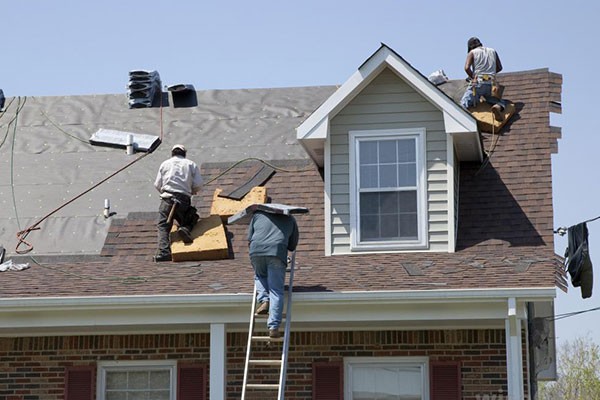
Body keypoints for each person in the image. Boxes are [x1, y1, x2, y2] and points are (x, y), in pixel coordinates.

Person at [248, 210, 299, 338]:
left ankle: (264, 300)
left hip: (256, 250)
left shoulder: (258, 215)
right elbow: (292, 246)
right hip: (276, 251)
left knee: (260, 276)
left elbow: (250, 238)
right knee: (276, 291)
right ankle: (273, 327)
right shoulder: (290, 218)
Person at [153, 144, 203, 262]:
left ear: (172, 153)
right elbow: (198, 184)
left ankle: (164, 252)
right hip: (183, 199)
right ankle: (185, 228)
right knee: (191, 217)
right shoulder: (191, 164)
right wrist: (192, 190)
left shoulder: (165, 164)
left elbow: (157, 184)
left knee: (163, 226)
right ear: (184, 154)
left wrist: (165, 191)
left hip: (167, 198)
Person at [460, 37, 508, 121]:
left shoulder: (472, 52)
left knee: (463, 104)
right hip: (491, 85)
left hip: (479, 82)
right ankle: (498, 106)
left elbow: (467, 68)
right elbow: (499, 67)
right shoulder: (493, 51)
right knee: (496, 101)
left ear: (471, 47)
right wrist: (490, 74)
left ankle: (466, 122)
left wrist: (473, 77)